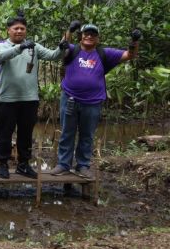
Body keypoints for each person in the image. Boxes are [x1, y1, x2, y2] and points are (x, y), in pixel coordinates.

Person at [50, 24, 140, 178]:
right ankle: (63, 164)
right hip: (70, 98)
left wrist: (135, 41)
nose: (89, 36)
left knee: (87, 135)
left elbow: (129, 55)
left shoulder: (104, 53)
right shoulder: (72, 49)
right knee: (67, 133)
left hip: (92, 102)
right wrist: (69, 30)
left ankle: (83, 166)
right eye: (86, 33)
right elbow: (62, 46)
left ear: (98, 38)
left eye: (93, 34)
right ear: (81, 36)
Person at [0, 14, 66, 179]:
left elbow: (53, 56)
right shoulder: (2, 46)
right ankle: (3, 164)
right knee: (5, 134)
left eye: (22, 28)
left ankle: (23, 165)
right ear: (8, 30)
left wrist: (62, 46)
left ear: (26, 30)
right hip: (7, 99)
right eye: (16, 28)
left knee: (26, 134)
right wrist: (20, 47)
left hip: (29, 99)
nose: (19, 31)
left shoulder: (34, 47)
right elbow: (1, 57)